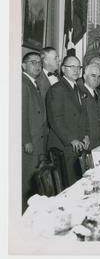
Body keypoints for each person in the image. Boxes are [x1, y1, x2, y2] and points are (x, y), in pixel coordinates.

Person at [46, 55, 90, 186]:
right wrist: (72, 139)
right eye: (72, 67)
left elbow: (84, 115)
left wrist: (86, 135)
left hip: (79, 145)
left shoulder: (78, 88)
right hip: (64, 146)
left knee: (80, 183)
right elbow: (55, 120)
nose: (76, 70)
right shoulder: (57, 89)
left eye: (78, 67)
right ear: (63, 69)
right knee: (68, 186)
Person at [21, 52, 49, 212]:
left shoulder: (34, 83)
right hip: (30, 141)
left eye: (39, 62)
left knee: (34, 179)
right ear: (24, 65)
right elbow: (21, 114)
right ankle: (23, 216)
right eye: (33, 62)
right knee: (27, 181)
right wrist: (26, 140)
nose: (38, 66)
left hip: (39, 140)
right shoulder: (23, 83)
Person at [78, 63, 100, 149]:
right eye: (93, 75)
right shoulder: (79, 92)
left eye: (99, 76)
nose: (96, 79)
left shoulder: (98, 92)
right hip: (86, 141)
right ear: (85, 76)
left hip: (99, 140)